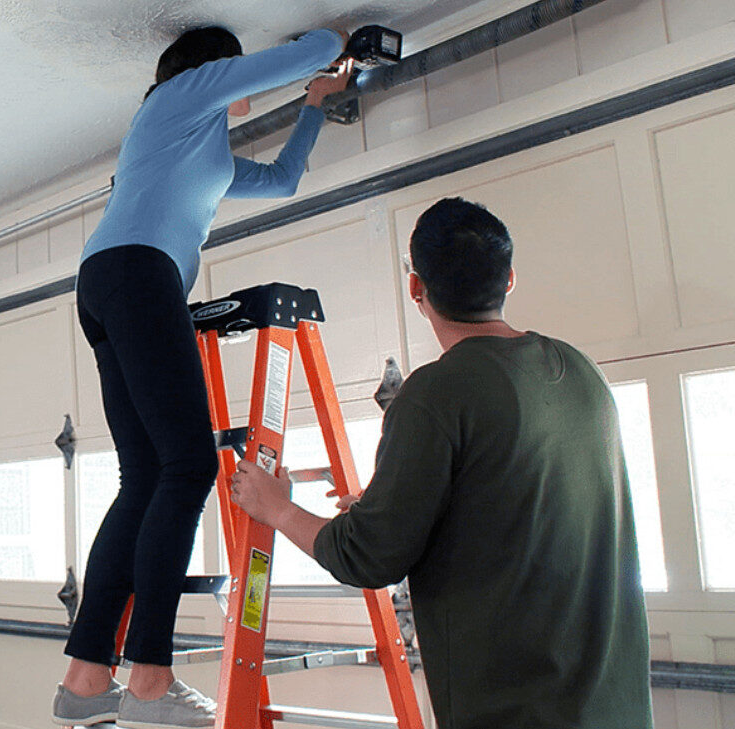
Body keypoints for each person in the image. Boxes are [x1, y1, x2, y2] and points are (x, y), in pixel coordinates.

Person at [229, 198, 653, 729]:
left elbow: (366, 557)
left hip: (517, 714)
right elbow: (517, 505)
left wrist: (276, 508)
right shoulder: (580, 370)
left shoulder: (434, 393)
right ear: (509, 279)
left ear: (416, 288)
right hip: (617, 709)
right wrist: (392, 507)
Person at [52, 24, 353, 729]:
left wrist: (315, 104)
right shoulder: (175, 99)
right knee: (187, 467)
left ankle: (86, 678)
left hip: (110, 282)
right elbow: (309, 49)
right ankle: (150, 679)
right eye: (232, 69)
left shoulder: (205, 152)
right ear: (209, 71)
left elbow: (280, 180)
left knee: (145, 477)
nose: (238, 81)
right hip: (138, 274)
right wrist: (336, 44)